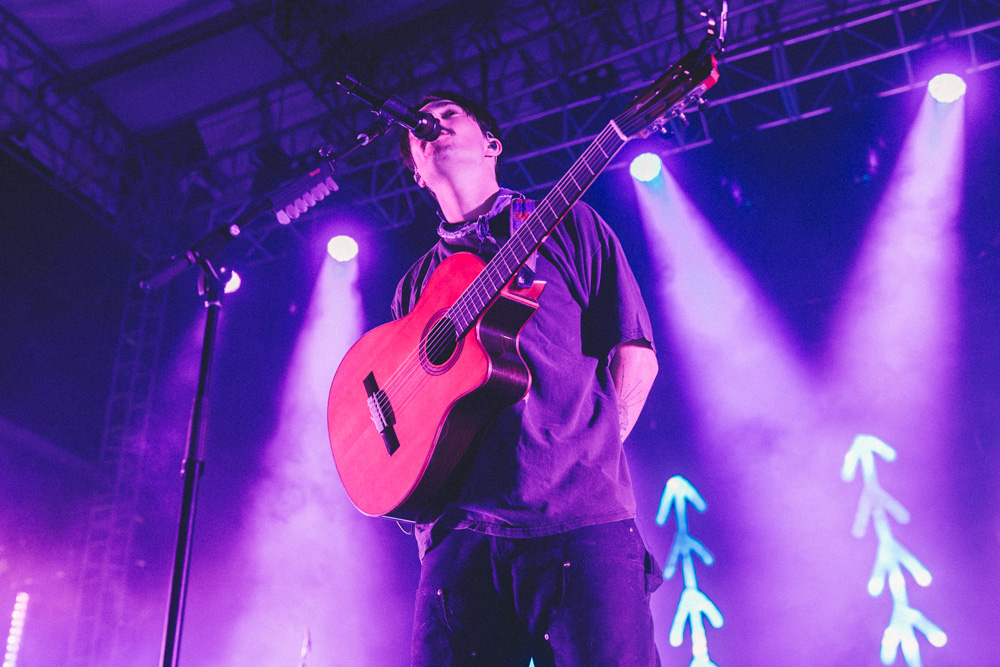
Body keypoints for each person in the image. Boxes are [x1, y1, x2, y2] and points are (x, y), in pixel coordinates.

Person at [392, 90, 662, 666]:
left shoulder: (568, 224)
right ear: (416, 172)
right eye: (422, 126)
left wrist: (587, 454)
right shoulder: (414, 289)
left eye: (449, 116)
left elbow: (635, 354)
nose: (431, 125)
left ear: (492, 144)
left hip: (579, 521)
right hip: (458, 538)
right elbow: (403, 406)